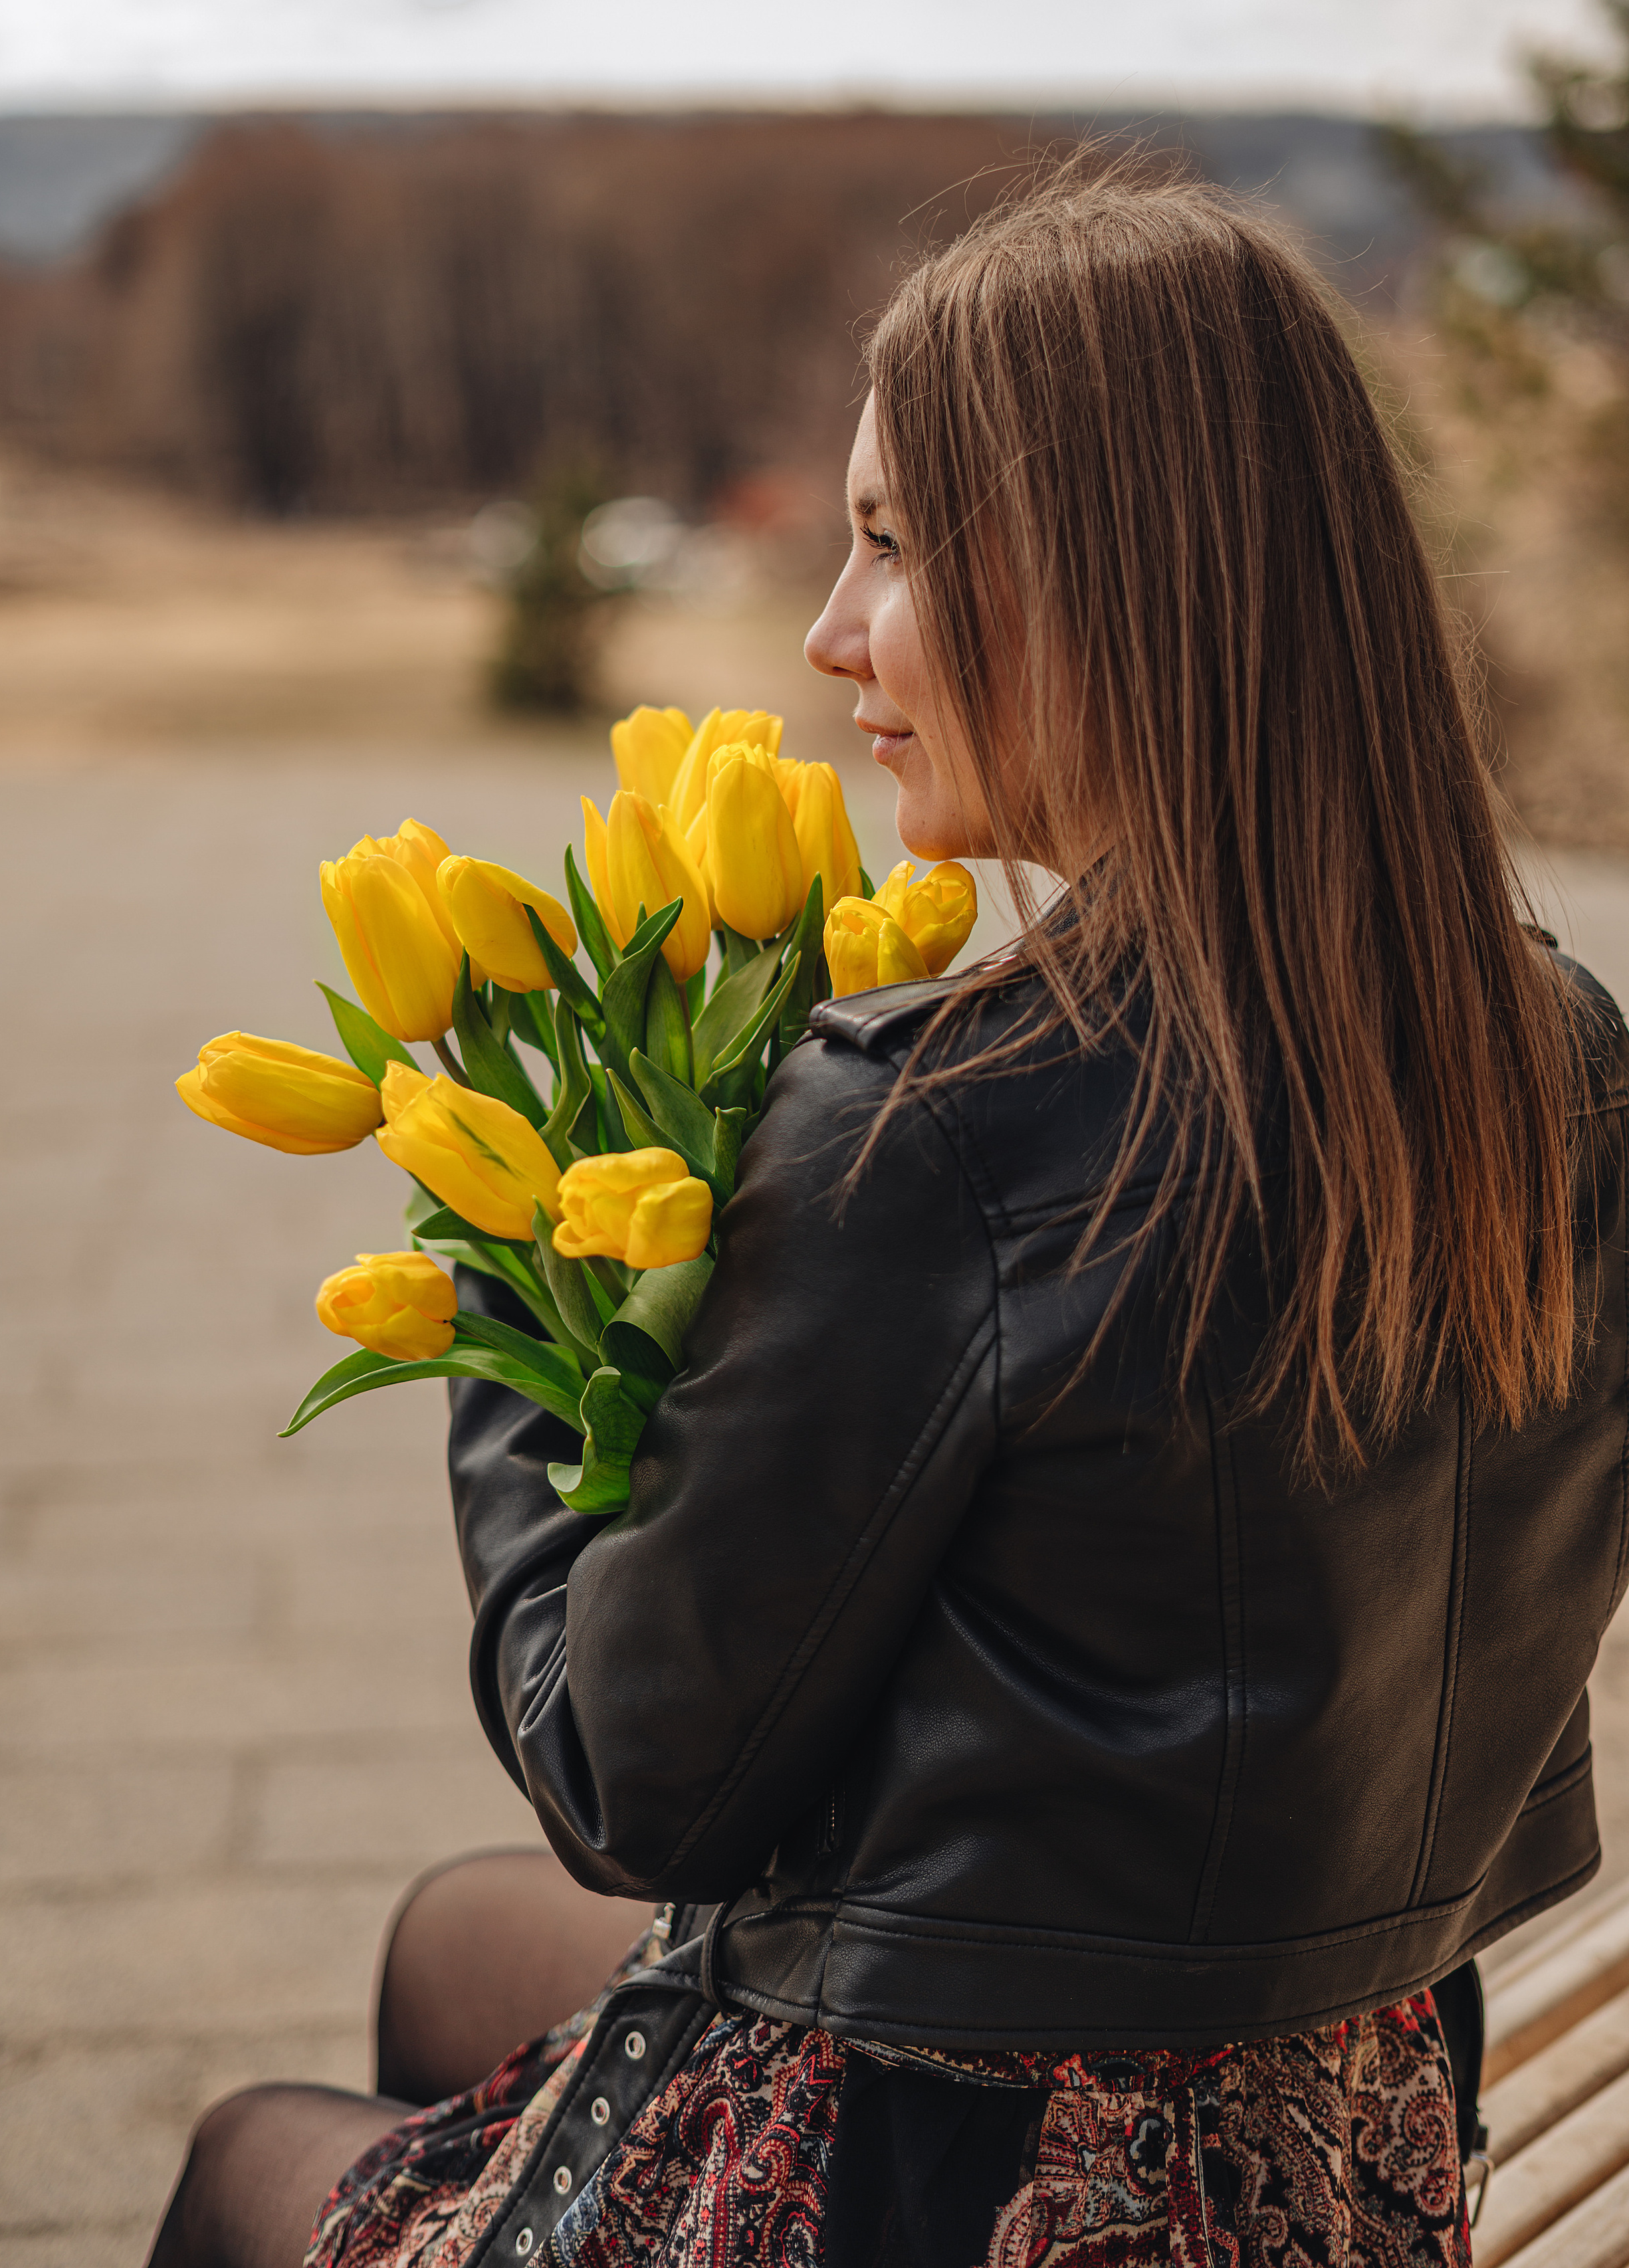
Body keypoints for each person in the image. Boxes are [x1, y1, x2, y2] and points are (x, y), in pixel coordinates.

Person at [146, 162, 1629, 2268]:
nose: (832, 636)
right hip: (1346, 2126)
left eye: (887, 545)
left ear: (1112, 580)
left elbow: (630, 1784)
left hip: (974, 2188)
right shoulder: (1554, 1050)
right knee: (451, 1948)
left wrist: (512, 1266)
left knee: (241, 2160)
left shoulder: (945, 1136)